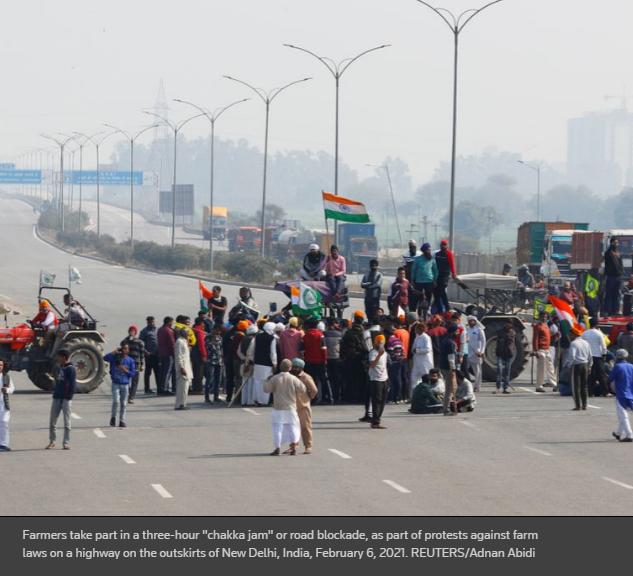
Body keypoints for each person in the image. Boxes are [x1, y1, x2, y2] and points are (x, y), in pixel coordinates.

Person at [263, 359, 306, 456]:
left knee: (277, 428)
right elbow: (303, 389)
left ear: (280, 367)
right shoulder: (294, 379)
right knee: (293, 427)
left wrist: (267, 380)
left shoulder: (275, 378)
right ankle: (294, 448)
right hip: (291, 407)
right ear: (290, 368)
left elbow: (266, 389)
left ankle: (277, 448)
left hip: (278, 408)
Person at [46, 349, 76, 450]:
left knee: (67, 422)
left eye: (59, 356)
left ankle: (66, 442)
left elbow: (72, 385)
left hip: (66, 399)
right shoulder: (59, 367)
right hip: (57, 397)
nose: (57, 358)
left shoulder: (70, 369)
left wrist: (68, 397)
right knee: (52, 421)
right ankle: (52, 441)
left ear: (64, 357)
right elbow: (57, 380)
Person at [340, 311, 369, 407]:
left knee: (351, 379)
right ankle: (360, 397)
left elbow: (343, 347)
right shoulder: (364, 332)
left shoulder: (348, 332)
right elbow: (366, 347)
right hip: (361, 359)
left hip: (350, 359)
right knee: (361, 379)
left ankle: (351, 397)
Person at [104, 344, 136, 427]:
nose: (124, 350)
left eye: (126, 349)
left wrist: (125, 370)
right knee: (116, 401)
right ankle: (113, 417)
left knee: (124, 403)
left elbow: (133, 374)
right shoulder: (115, 358)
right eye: (123, 348)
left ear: (128, 350)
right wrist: (114, 352)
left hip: (125, 384)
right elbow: (105, 358)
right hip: (116, 383)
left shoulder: (130, 360)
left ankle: (122, 420)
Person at [291, 358, 318, 454]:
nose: (294, 369)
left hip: (303, 406)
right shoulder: (290, 376)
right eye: (293, 366)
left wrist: (308, 398)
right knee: (293, 427)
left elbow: (314, 390)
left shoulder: (306, 377)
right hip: (291, 406)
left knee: (305, 427)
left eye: (296, 367)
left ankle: (308, 446)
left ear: (301, 368)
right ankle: (293, 446)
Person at [302, 317, 332, 404]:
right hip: (320, 361)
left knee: (312, 380)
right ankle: (328, 398)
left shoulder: (306, 335)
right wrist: (325, 360)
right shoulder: (320, 335)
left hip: (309, 361)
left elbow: (303, 349)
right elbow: (324, 349)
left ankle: (313, 398)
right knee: (324, 380)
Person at [249, 321, 277, 406]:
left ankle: (256, 399)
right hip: (267, 363)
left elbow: (251, 349)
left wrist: (251, 359)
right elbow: (273, 353)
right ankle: (264, 401)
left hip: (257, 362)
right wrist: (274, 363)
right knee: (266, 382)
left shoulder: (257, 337)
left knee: (257, 381)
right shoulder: (272, 338)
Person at [565, 326, 593, 411]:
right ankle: (585, 405)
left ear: (574, 334)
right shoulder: (586, 343)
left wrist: (569, 365)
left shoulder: (573, 343)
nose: (569, 336)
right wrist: (590, 366)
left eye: (570, 334)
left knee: (576, 387)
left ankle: (578, 405)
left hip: (576, 366)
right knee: (584, 386)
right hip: (585, 364)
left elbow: (572, 357)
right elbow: (590, 356)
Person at [609, 349, 633, 442]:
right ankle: (618, 432)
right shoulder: (631, 366)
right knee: (623, 414)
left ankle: (629, 434)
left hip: (621, 393)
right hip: (631, 392)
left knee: (623, 415)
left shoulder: (617, 367)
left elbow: (610, 378)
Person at [583, 316, 609, 397]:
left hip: (588, 357)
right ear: (597, 324)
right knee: (601, 375)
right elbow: (604, 346)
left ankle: (590, 392)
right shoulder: (599, 333)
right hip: (598, 356)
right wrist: (604, 356)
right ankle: (606, 391)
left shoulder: (584, 333)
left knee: (590, 375)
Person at [411, 243, 438, 318]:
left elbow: (435, 270)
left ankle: (426, 313)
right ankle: (419, 311)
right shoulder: (418, 259)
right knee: (419, 297)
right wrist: (412, 281)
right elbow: (413, 270)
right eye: (428, 250)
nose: (429, 251)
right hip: (419, 282)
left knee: (428, 298)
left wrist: (435, 280)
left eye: (430, 249)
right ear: (424, 250)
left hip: (429, 282)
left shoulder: (432, 259)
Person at [222, 321, 247, 404]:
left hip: (228, 358)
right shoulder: (242, 336)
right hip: (237, 359)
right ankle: (237, 398)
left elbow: (223, 346)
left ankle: (229, 397)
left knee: (230, 378)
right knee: (238, 378)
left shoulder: (228, 333)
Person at [368, 334, 389, 429]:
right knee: (377, 401)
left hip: (384, 378)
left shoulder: (385, 353)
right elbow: (372, 365)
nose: (381, 344)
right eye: (379, 343)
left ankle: (377, 418)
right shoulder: (373, 352)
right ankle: (375, 422)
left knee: (383, 400)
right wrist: (379, 355)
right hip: (375, 379)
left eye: (382, 343)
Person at [532, 312, 557, 394]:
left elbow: (548, 335)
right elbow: (535, 338)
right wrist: (535, 350)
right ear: (540, 317)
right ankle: (539, 386)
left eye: (546, 317)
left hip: (547, 349)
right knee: (541, 368)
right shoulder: (537, 326)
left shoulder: (546, 325)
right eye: (543, 317)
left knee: (551, 367)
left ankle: (554, 384)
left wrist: (555, 335)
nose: (544, 318)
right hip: (540, 349)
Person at [120, 325, 145, 404]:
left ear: (135, 333)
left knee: (135, 381)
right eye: (131, 331)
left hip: (136, 363)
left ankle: (131, 397)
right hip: (127, 363)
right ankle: (128, 393)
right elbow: (121, 351)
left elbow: (142, 354)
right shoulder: (124, 341)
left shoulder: (139, 342)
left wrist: (142, 364)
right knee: (125, 380)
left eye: (133, 331)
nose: (132, 332)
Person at [439, 325, 458, 414]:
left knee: (449, 388)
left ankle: (446, 407)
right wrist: (453, 369)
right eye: (456, 331)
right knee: (449, 389)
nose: (458, 332)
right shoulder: (450, 342)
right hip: (448, 367)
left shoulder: (444, 340)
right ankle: (446, 409)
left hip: (443, 366)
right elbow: (451, 357)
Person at [433, 240, 457, 313]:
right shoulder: (437, 254)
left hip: (444, 276)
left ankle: (446, 308)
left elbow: (452, 264)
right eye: (442, 245)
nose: (443, 246)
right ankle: (442, 309)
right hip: (437, 276)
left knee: (441, 291)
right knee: (437, 293)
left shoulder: (449, 254)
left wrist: (453, 274)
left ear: (447, 246)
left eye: (444, 245)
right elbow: (434, 265)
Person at [410, 322, 434, 393]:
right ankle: (414, 394)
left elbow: (428, 349)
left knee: (425, 378)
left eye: (416, 329)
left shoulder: (426, 337)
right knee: (414, 378)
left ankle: (426, 393)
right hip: (417, 361)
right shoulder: (417, 337)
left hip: (425, 362)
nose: (415, 330)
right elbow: (413, 348)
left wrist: (417, 350)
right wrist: (414, 350)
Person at [238, 324, 258, 406]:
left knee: (244, 383)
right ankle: (250, 401)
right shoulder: (253, 340)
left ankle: (244, 401)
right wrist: (247, 363)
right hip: (250, 364)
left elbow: (238, 352)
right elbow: (250, 353)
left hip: (243, 363)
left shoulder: (243, 339)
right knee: (250, 383)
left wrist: (243, 359)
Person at [324, 318, 343, 404]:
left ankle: (329, 396)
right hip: (337, 358)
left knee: (328, 378)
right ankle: (337, 396)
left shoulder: (324, 334)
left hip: (327, 358)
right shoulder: (340, 334)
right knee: (337, 378)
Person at [604, 237, 624, 316]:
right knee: (609, 294)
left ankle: (616, 311)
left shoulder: (618, 252)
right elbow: (610, 264)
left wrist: (621, 272)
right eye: (615, 243)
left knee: (617, 294)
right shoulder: (608, 253)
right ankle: (608, 311)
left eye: (617, 243)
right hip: (611, 277)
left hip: (619, 277)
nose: (616, 244)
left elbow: (620, 264)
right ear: (611, 243)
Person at [494, 323, 516, 395]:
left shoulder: (512, 333)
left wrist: (504, 337)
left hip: (508, 354)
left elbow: (510, 341)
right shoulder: (500, 332)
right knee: (499, 371)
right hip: (500, 353)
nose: (509, 329)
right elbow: (499, 339)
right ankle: (498, 388)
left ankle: (505, 388)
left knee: (507, 372)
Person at [466, 316, 486, 393]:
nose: (471, 322)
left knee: (477, 371)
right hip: (467, 352)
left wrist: (482, 351)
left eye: (472, 321)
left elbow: (483, 341)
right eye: (469, 321)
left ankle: (477, 386)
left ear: (475, 321)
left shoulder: (479, 330)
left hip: (476, 353)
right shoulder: (467, 330)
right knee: (465, 369)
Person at [174, 329, 193, 410]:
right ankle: (180, 404)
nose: (188, 333)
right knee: (182, 387)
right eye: (186, 332)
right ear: (182, 333)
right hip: (183, 368)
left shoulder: (184, 341)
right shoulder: (179, 342)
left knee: (185, 387)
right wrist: (181, 367)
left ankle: (183, 403)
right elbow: (179, 356)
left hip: (187, 367)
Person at [139, 316, 158, 394]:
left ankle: (159, 388)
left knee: (158, 372)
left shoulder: (157, 330)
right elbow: (140, 344)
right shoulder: (144, 331)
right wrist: (146, 352)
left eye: (153, 321)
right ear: (147, 322)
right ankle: (147, 389)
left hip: (157, 354)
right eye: (150, 322)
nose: (152, 323)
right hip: (149, 355)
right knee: (148, 373)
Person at [157, 316, 175, 395]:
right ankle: (164, 389)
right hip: (168, 353)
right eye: (172, 322)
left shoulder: (160, 329)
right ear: (169, 322)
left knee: (162, 371)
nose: (172, 324)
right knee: (167, 371)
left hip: (161, 353)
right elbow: (172, 343)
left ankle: (160, 388)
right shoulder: (169, 331)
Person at [386, 329, 405, 404]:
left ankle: (392, 398)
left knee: (392, 381)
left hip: (393, 362)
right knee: (398, 380)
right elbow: (402, 351)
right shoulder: (398, 340)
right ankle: (399, 398)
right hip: (400, 361)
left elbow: (390, 353)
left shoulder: (390, 341)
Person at [205, 325, 223, 403]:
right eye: (218, 330)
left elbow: (221, 348)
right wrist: (213, 340)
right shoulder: (208, 337)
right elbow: (209, 346)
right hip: (211, 360)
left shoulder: (220, 337)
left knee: (218, 380)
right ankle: (207, 397)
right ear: (214, 329)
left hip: (219, 361)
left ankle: (216, 396)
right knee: (209, 379)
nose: (219, 332)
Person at [361, 259, 383, 324]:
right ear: (370, 266)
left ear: (377, 266)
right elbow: (362, 284)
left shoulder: (379, 275)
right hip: (367, 297)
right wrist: (370, 284)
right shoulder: (366, 274)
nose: (373, 267)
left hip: (375, 298)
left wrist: (368, 285)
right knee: (368, 313)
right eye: (372, 265)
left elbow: (377, 284)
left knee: (375, 314)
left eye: (375, 265)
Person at [191, 318, 208, 396]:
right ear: (201, 323)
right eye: (203, 323)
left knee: (196, 372)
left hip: (194, 354)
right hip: (199, 355)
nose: (204, 325)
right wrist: (204, 355)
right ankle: (198, 389)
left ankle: (195, 388)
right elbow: (201, 344)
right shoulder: (199, 332)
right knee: (199, 373)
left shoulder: (193, 330)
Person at [0, 361, 14, 451]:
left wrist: (7, 390)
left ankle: (4, 444)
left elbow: (12, 388)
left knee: (4, 423)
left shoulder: (6, 377)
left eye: (1, 365)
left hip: (4, 404)